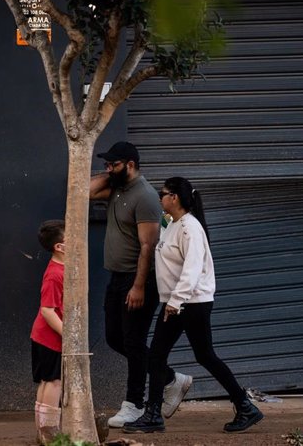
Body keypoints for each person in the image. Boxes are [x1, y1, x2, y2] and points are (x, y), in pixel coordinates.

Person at [123, 177, 264, 434]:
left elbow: (192, 268)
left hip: (191, 302)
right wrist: (172, 300)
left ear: (174, 197)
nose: (159, 198)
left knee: (204, 355)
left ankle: (244, 405)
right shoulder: (174, 224)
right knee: (156, 355)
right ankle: (153, 413)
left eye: (163, 194)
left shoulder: (190, 228)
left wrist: (175, 301)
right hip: (176, 302)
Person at [89, 141, 192, 428]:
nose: (108, 168)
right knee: (115, 338)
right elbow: (84, 191)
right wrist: (111, 173)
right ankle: (170, 378)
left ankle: (134, 404)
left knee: (133, 342)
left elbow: (148, 245)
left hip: (139, 279)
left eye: (114, 164)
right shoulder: (118, 187)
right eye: (107, 165)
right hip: (116, 277)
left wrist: (138, 286)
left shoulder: (145, 196)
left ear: (131, 164)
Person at [30, 220, 65, 445]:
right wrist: (68, 336)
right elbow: (47, 310)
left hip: (43, 337)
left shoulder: (61, 269)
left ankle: (43, 433)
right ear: (59, 247)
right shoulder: (55, 274)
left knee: (47, 381)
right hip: (50, 338)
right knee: (54, 382)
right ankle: (49, 433)